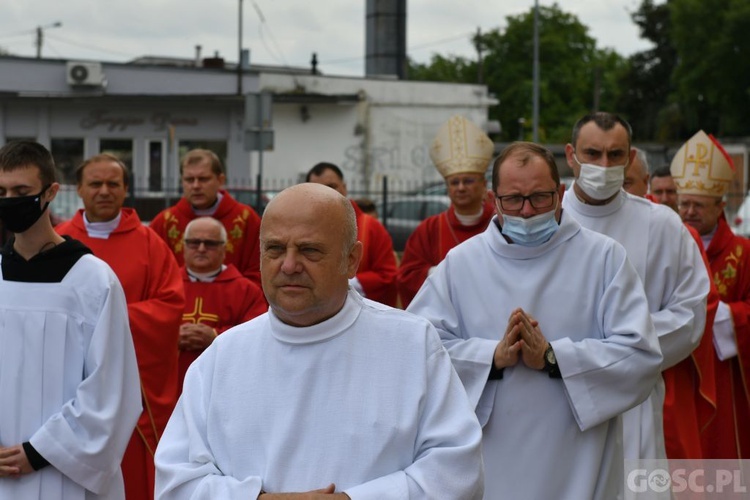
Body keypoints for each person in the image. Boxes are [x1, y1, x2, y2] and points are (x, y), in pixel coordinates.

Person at [154, 183, 484, 499]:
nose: (289, 265)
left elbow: (457, 470)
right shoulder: (223, 357)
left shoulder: (412, 344)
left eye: (310, 250)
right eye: (275, 249)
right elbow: (176, 482)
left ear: (352, 259)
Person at [407, 142, 662, 499]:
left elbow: (641, 355)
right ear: (494, 199)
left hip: (579, 458)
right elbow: (418, 352)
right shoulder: (460, 264)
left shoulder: (604, 258)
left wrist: (553, 358)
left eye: (539, 197)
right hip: (490, 458)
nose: (526, 211)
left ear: (560, 193)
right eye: (513, 199)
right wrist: (491, 357)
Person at [561, 112, 710, 461]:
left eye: (615, 155)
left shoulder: (662, 226)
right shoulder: (545, 221)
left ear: (630, 159)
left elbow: (691, 314)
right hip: (561, 393)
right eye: (592, 153)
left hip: (635, 399)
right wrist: (569, 358)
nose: (604, 163)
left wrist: (618, 349)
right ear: (571, 155)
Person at [0, 141, 141, 499]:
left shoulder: (92, 280)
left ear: (50, 193)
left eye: (21, 191)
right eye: (1, 191)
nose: (9, 200)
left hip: (66, 476)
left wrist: (40, 451)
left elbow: (112, 388)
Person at [56, 153, 185, 500]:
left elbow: (170, 305)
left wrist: (109, 322)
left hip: (129, 380)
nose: (104, 191)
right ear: (79, 189)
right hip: (71, 379)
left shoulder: (149, 243)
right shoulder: (57, 241)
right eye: (95, 183)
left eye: (113, 184)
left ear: (126, 189)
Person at [631, 152, 719, 459]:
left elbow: (701, 303)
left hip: (665, 366)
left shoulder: (679, 233)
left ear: (644, 185)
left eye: (628, 182)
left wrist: (631, 340)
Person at [672, 130, 750, 458]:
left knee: (721, 459)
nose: (689, 211)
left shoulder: (743, 253)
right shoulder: (668, 245)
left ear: (720, 206)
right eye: (684, 203)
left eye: (699, 205)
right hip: (679, 372)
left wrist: (721, 316)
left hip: (724, 376)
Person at [398, 115, 495, 308]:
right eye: (454, 182)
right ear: (447, 187)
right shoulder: (430, 229)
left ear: (484, 185)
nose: (460, 188)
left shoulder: (498, 223)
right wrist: (437, 273)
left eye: (468, 181)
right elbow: (406, 278)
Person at [178, 216, 267, 392]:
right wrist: (170, 337)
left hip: (225, 379)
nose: (201, 249)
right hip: (173, 380)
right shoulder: (166, 285)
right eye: (194, 242)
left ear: (223, 249)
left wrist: (215, 336)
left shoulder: (246, 291)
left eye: (210, 243)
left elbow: (258, 336)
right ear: (184, 247)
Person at [151, 149, 263, 286]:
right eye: (189, 180)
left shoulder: (246, 219)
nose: (196, 186)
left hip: (233, 303)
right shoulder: (165, 222)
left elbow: (259, 270)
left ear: (220, 180)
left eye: (203, 179)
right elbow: (152, 273)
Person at [306, 162, 398, 307]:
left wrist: (344, 282)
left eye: (332, 187)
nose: (326, 194)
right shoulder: (301, 229)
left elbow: (387, 276)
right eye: (317, 189)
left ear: (344, 187)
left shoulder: (371, 228)